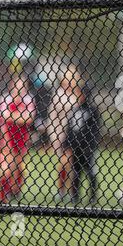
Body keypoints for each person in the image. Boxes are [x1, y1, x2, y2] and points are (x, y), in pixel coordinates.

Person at [0, 74, 35, 201]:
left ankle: (16, 188)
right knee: (8, 165)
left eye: (23, 86)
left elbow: (29, 118)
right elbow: (5, 116)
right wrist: (20, 117)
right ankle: (6, 190)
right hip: (8, 135)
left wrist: (15, 117)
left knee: (19, 164)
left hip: (22, 136)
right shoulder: (6, 98)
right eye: (17, 85)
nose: (20, 88)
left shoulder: (29, 99)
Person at [47, 64, 81, 202]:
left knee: (74, 164)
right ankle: (61, 189)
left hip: (76, 133)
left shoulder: (79, 94)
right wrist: (53, 135)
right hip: (60, 132)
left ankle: (71, 190)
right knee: (64, 163)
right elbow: (52, 116)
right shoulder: (58, 95)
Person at [66, 84, 101, 205]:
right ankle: (75, 195)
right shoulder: (75, 109)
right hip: (76, 146)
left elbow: (95, 130)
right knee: (76, 172)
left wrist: (90, 145)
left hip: (87, 147)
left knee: (90, 172)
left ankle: (93, 195)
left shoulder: (93, 110)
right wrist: (67, 143)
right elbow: (70, 127)